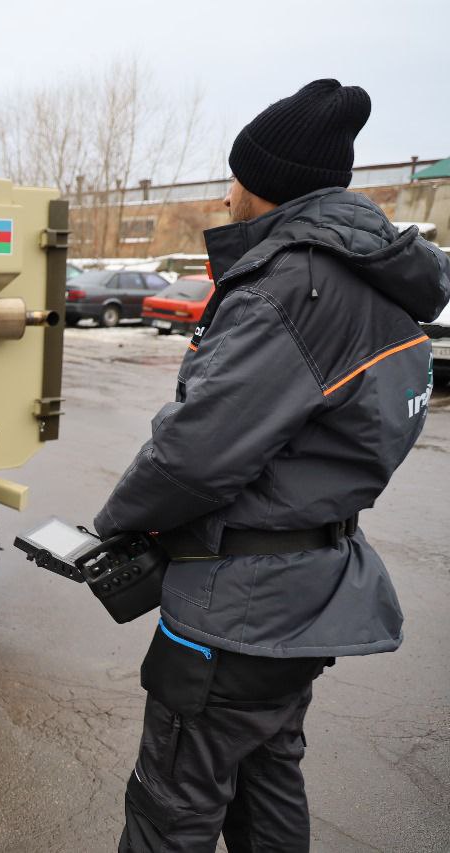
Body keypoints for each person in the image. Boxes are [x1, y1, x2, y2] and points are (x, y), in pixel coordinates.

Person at [93, 79, 450, 852]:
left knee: (173, 802)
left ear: (266, 185)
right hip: (309, 590)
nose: (228, 195)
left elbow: (193, 451)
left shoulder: (292, 285)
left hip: (237, 608)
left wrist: (113, 524)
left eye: (236, 178)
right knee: (267, 774)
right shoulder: (372, 279)